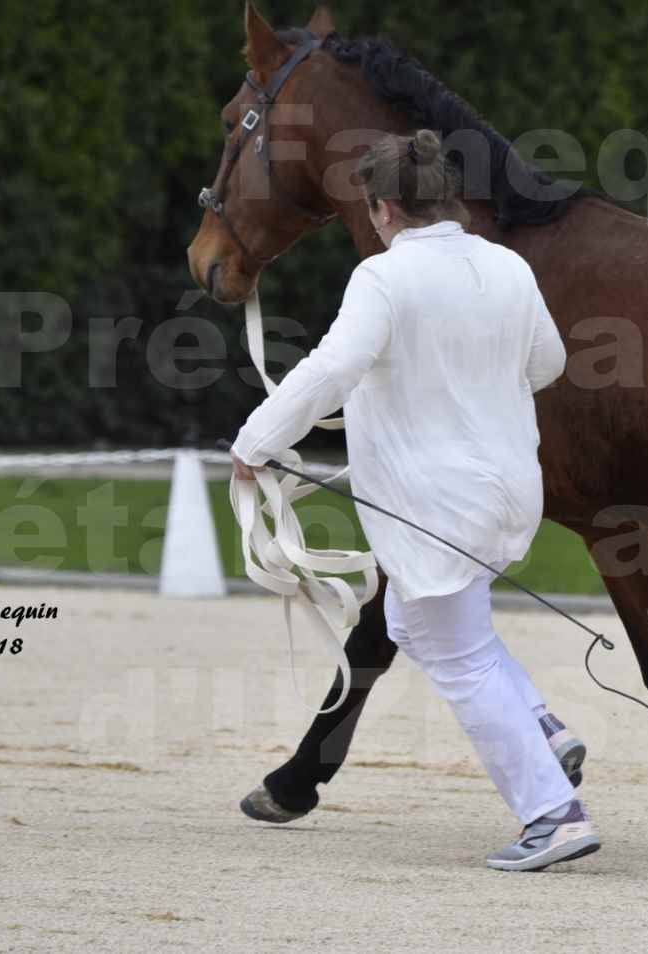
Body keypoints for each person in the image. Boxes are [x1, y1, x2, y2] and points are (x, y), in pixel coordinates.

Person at [230, 129, 597, 872]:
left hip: (436, 502)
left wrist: (254, 441)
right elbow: (548, 362)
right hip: (508, 491)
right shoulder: (506, 265)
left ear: (386, 207)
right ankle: (541, 724)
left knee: (455, 654)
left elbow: (334, 367)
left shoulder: (382, 278)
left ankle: (553, 814)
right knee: (415, 622)